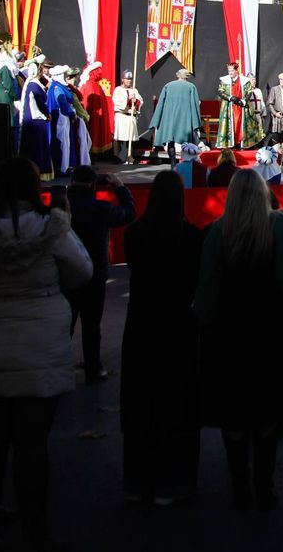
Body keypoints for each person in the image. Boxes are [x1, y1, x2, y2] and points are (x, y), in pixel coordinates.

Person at [0, 157, 93, 548]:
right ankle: (34, 528)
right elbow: (82, 272)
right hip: (39, 349)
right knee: (32, 447)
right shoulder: (52, 229)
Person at [194, 169, 283, 510]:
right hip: (271, 336)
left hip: (228, 338)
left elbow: (206, 296)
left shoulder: (216, 233)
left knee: (234, 417)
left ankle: (240, 487)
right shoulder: (281, 228)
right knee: (268, 416)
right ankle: (264, 487)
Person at [120, 169, 203, 505]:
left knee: (141, 402)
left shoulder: (135, 234)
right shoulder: (191, 237)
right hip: (179, 325)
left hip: (142, 324)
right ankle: (174, 481)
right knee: (177, 403)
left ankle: (138, 481)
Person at [65, 166, 136, 383]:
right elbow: (128, 213)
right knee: (91, 324)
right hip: (95, 273)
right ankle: (93, 367)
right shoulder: (101, 209)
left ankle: (59, 366)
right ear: (94, 185)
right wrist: (121, 188)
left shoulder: (62, 210)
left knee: (64, 323)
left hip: (66, 274)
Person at [152, 68, 203, 163]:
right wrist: (196, 122)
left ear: (177, 75)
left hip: (170, 119)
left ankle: (173, 163)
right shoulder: (191, 87)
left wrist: (157, 119)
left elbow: (160, 104)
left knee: (170, 141)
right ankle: (185, 163)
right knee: (187, 141)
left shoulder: (168, 86)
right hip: (185, 119)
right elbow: (195, 104)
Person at [18, 62, 56, 177]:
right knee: (38, 148)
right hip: (37, 120)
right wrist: (47, 113)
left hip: (33, 119)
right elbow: (40, 102)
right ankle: (40, 172)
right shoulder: (34, 85)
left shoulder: (30, 84)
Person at [217, 61, 264, 150]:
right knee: (231, 124)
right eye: (229, 71)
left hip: (241, 107)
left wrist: (244, 100)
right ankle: (230, 143)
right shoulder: (224, 80)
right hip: (229, 107)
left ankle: (242, 142)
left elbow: (249, 92)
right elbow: (220, 91)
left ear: (236, 71)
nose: (230, 73)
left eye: (232, 71)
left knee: (241, 124)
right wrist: (230, 97)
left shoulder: (244, 81)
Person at [80, 62, 114, 159]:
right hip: (92, 116)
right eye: (98, 70)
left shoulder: (95, 85)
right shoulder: (89, 85)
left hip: (97, 116)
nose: (100, 72)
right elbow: (85, 102)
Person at [112, 71, 143, 163]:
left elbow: (140, 101)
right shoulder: (118, 89)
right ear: (122, 79)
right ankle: (116, 156)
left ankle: (129, 156)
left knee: (130, 138)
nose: (129, 81)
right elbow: (117, 101)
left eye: (130, 79)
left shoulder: (134, 90)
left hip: (130, 116)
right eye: (127, 79)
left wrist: (136, 101)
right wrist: (128, 99)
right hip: (121, 116)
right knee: (119, 137)